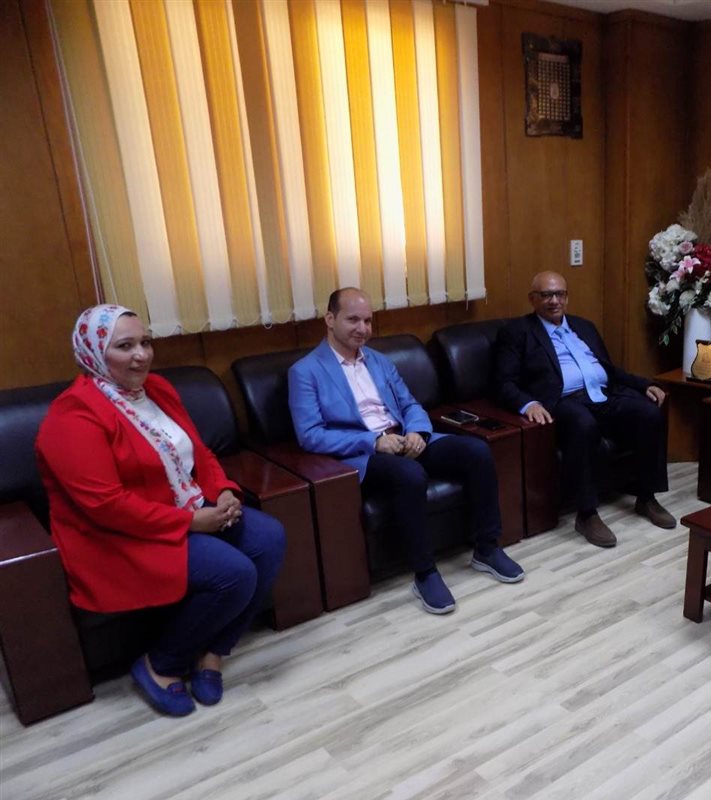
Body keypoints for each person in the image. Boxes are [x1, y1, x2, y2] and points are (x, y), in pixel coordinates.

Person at [36, 305, 286, 717]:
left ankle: (212, 651)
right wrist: (192, 522)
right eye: (125, 346)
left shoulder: (158, 390)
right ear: (93, 352)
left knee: (269, 538)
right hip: (118, 535)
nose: (142, 355)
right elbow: (106, 506)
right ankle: (161, 664)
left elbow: (199, 452)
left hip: (182, 506)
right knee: (234, 573)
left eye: (146, 342)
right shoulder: (73, 416)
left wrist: (224, 490)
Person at [288, 287, 523, 615]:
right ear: (330, 319)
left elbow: (411, 404)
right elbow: (310, 435)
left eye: (368, 321)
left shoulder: (380, 361)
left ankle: (486, 547)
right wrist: (373, 441)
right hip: (364, 454)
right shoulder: (305, 371)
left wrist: (417, 431)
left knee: (476, 452)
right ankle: (425, 573)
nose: (362, 328)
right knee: (410, 475)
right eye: (353, 320)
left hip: (404, 439)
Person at [493, 271, 674, 548]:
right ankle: (587, 513)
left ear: (567, 297)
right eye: (546, 295)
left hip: (602, 395)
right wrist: (529, 404)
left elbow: (610, 370)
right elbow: (503, 383)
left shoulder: (584, 326)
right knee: (583, 423)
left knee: (649, 414)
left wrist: (644, 384)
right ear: (532, 299)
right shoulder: (517, 332)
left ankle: (646, 497)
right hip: (563, 402)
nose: (554, 301)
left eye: (559, 294)